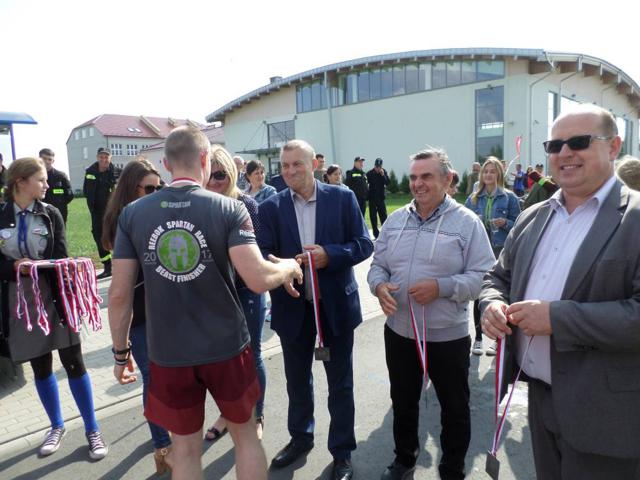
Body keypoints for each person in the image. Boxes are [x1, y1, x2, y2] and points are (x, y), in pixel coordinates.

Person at [108, 126, 302, 480]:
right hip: (226, 346)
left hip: (169, 353)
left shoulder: (133, 214)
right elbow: (257, 278)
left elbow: (119, 295)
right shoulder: (229, 208)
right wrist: (288, 266)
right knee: (246, 438)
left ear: (166, 164)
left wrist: (121, 354)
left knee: (184, 450)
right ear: (204, 159)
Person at [481, 105, 640, 479]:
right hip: (540, 399)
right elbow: (497, 277)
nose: (564, 153)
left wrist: (556, 318)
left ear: (613, 146)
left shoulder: (635, 218)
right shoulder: (533, 215)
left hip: (606, 414)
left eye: (579, 142)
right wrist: (491, 304)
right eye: (554, 145)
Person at [368, 148, 494, 480]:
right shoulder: (396, 220)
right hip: (399, 332)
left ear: (448, 179)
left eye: (426, 176)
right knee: (403, 400)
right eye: (413, 177)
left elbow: (485, 277)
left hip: (446, 337)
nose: (417, 183)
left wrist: (442, 287)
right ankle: (404, 459)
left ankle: (452, 469)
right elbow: (377, 265)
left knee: (454, 408)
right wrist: (379, 286)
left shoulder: (467, 223)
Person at [258, 139, 373, 480]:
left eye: (297, 164)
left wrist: (329, 255)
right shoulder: (270, 207)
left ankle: (342, 453)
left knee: (341, 385)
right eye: (285, 165)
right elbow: (261, 254)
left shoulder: (342, 198)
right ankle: (300, 438)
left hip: (335, 308)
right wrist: (279, 269)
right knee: (296, 381)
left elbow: (364, 244)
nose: (290, 171)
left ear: (315, 165)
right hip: (292, 308)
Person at [0, 157, 107, 459]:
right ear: (20, 182)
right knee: (41, 366)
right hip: (22, 304)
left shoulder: (51, 214)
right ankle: (56, 426)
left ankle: (92, 429)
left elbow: (61, 256)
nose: (47, 185)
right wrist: (14, 268)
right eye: (41, 180)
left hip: (56, 298)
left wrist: (58, 269)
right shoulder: (1, 215)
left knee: (74, 363)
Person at [101, 158, 171, 474]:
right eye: (149, 189)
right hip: (141, 314)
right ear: (132, 188)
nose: (156, 193)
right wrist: (120, 350)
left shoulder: (155, 213)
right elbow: (120, 292)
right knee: (154, 381)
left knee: (165, 380)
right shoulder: (124, 221)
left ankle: (163, 432)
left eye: (160, 187)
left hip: (165, 312)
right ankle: (162, 446)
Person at [204, 144, 268, 442]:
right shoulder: (198, 206)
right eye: (209, 175)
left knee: (252, 356)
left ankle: (257, 414)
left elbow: (254, 256)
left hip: (245, 291)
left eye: (220, 175)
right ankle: (227, 414)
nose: (214, 182)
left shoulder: (246, 205)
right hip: (213, 295)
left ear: (231, 174)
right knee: (221, 362)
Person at [465, 157, 520, 356]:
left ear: (499, 174)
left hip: (500, 251)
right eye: (485, 171)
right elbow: (463, 225)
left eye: (492, 171)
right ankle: (478, 338)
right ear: (481, 175)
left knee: (500, 294)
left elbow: (519, 226)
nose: (488, 175)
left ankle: (499, 340)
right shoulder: (473, 199)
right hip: (478, 252)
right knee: (480, 294)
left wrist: (505, 223)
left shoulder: (509, 198)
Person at [83, 147, 119, 279]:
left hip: (114, 211)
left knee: (118, 236)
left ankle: (122, 265)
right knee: (99, 238)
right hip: (96, 212)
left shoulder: (117, 172)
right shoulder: (90, 172)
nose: (104, 159)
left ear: (110, 158)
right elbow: (86, 190)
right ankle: (107, 268)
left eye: (106, 157)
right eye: (101, 157)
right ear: (97, 157)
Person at [40, 149, 73, 225]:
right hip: (41, 213)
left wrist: (59, 205)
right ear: (39, 159)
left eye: (49, 159)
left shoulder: (61, 176)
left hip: (59, 213)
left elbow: (69, 195)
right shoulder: (33, 176)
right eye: (44, 158)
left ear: (53, 161)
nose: (47, 161)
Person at [366, 158, 390, 239]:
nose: (378, 168)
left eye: (379, 167)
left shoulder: (384, 172)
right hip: (372, 199)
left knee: (383, 216)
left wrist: (383, 175)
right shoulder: (369, 173)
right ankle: (376, 234)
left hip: (381, 198)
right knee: (373, 217)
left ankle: (385, 233)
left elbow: (387, 182)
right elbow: (365, 185)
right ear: (374, 165)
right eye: (376, 166)